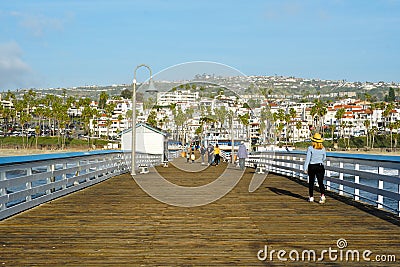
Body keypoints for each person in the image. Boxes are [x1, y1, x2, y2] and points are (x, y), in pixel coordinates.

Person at [303, 133, 327, 203]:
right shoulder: (323, 149)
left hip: (312, 166)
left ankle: (311, 197)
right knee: (320, 182)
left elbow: (308, 159)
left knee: (311, 182)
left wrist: (305, 168)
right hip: (320, 166)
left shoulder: (310, 148)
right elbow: (324, 158)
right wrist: (319, 160)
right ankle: (322, 196)